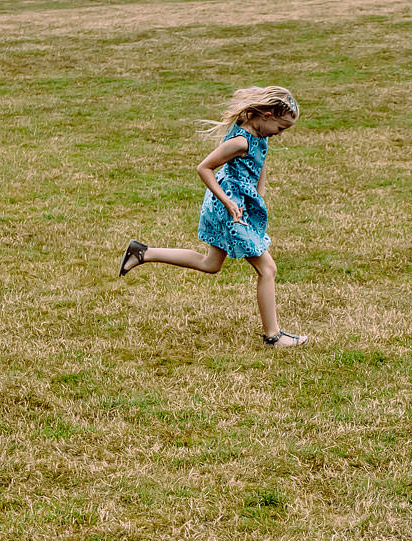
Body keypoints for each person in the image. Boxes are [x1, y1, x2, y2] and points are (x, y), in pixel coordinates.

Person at [117, 86, 307, 347]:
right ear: (266, 114)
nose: (280, 134)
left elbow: (260, 164)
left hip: (240, 206)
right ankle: (273, 336)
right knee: (268, 269)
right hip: (229, 209)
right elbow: (204, 168)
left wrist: (259, 198)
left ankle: (143, 253)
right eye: (281, 127)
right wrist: (228, 202)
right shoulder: (240, 141)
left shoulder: (260, 135)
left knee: (211, 264)